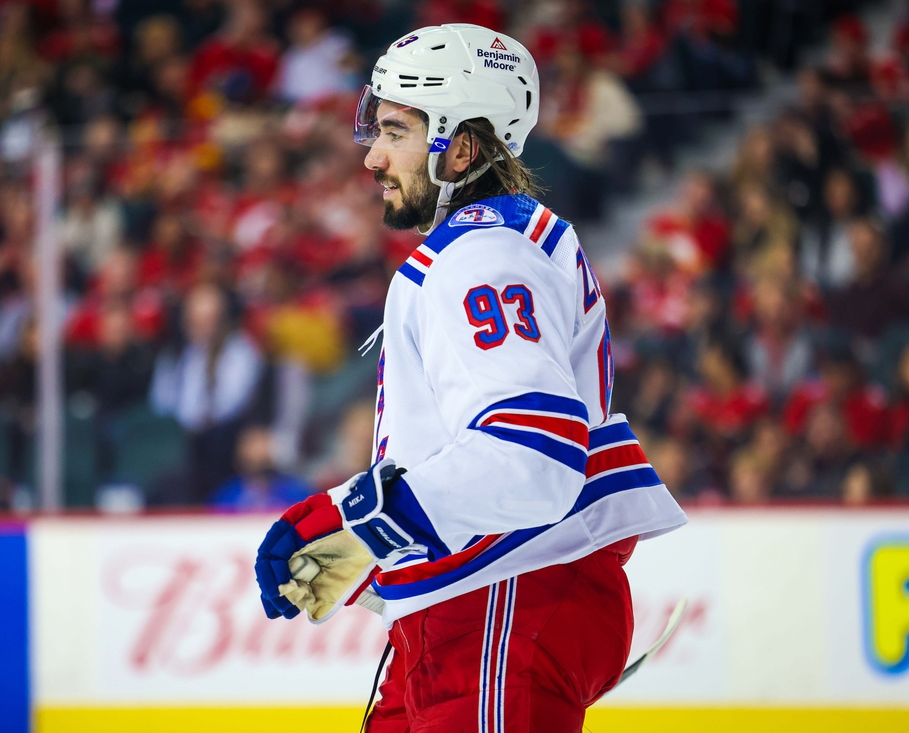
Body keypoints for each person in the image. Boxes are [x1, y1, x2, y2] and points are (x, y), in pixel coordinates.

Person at [253, 24, 686, 732]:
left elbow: (533, 454)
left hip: (503, 605)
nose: (372, 156)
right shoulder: (494, 245)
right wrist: (374, 541)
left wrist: (360, 518)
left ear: (460, 149)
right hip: (473, 609)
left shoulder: (482, 256)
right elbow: (467, 453)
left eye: (395, 131)